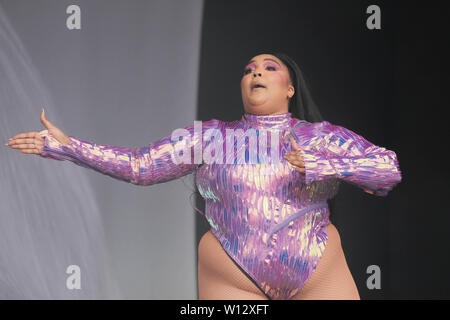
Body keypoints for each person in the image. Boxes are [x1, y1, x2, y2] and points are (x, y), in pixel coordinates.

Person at [5, 53, 402, 300]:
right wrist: (68, 146)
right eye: (248, 70)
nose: (255, 73)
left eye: (269, 67)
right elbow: (139, 166)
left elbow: (388, 172)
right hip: (234, 276)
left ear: (289, 87)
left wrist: (322, 164)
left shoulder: (321, 137)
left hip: (318, 272)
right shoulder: (211, 137)